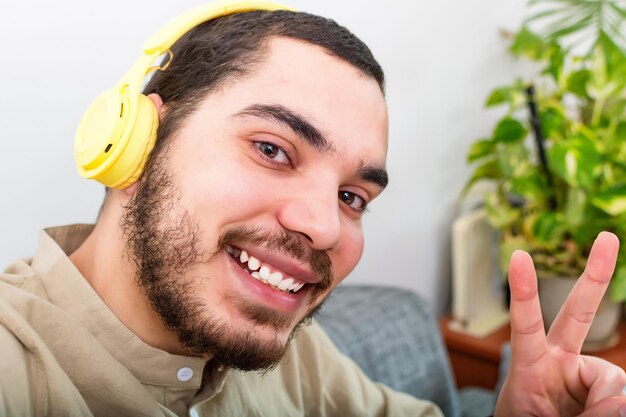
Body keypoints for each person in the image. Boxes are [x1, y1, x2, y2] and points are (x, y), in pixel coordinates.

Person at [1, 1, 625, 416]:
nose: (325, 227)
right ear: (134, 145)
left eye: (353, 197)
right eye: (273, 149)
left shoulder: (291, 351)